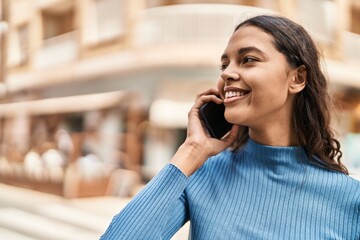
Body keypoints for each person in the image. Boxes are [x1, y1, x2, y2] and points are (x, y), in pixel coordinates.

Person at [100, 15, 360, 239]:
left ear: (297, 78)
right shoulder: (202, 174)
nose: (226, 73)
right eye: (224, 65)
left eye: (248, 59)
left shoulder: (351, 199)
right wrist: (191, 150)